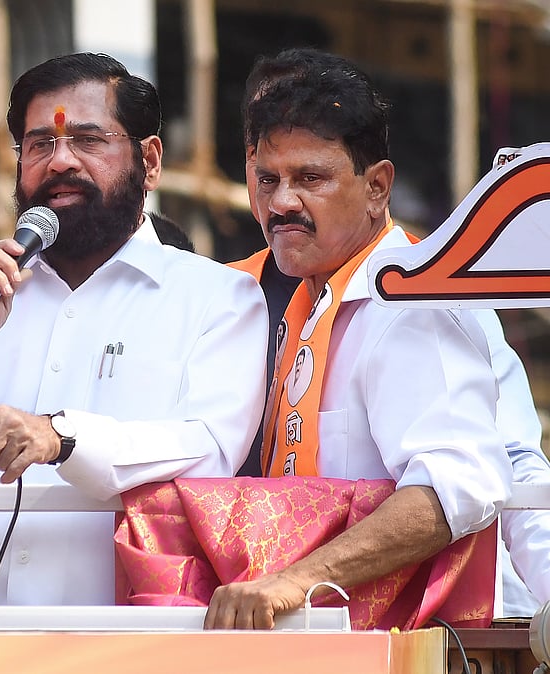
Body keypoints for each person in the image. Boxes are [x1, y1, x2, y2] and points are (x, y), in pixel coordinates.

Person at [0, 53, 269, 606]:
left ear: (149, 160)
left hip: (126, 648)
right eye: (39, 145)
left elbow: (206, 453)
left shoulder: (218, 299)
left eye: (88, 140)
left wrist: (62, 438)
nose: (59, 162)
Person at [231, 48, 549, 615]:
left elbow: (462, 478)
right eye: (267, 179)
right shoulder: (300, 298)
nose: (282, 202)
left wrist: (297, 581)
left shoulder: (411, 305)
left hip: (436, 639)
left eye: (311, 179)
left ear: (378, 187)